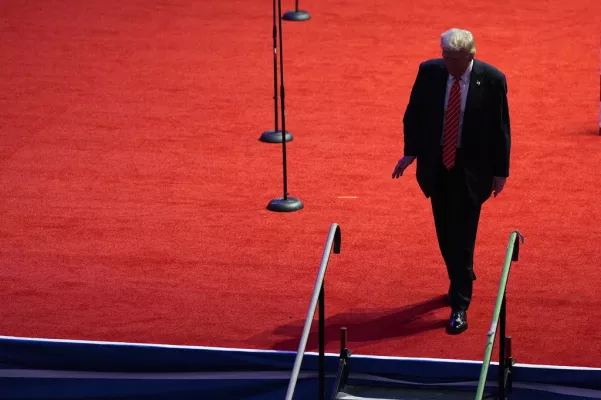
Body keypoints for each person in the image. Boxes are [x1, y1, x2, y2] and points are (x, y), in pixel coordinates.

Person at [392, 28, 511, 334]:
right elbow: (413, 114)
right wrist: (411, 152)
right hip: (437, 164)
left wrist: (500, 172)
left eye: (455, 59)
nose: (448, 63)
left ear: (471, 56)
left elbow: (501, 128)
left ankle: (460, 302)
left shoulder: (493, 79)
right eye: (445, 56)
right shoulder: (430, 72)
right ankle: (461, 274)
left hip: (472, 169)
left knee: (463, 233)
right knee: (445, 231)